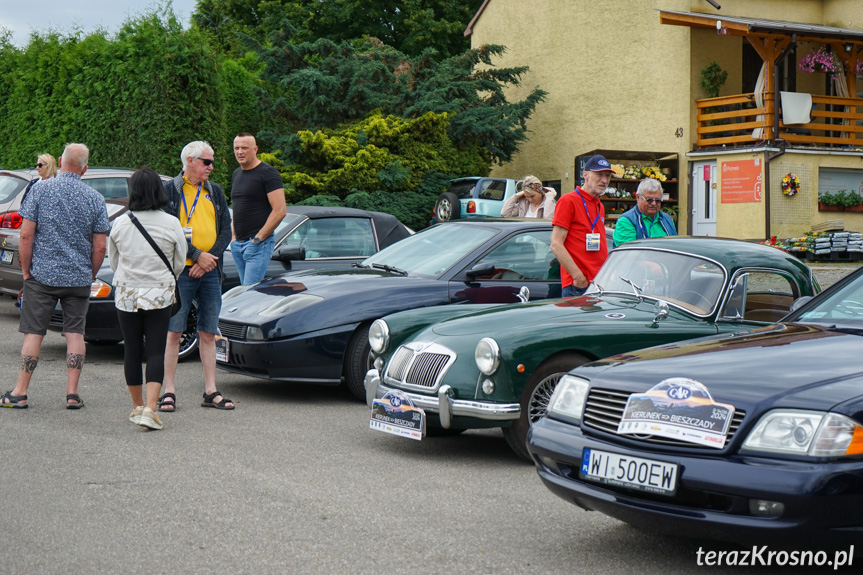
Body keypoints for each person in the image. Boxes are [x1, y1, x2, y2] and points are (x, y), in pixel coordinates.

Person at [1, 143, 109, 409]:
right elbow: (101, 246)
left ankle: (20, 392)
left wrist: (27, 271)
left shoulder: (40, 190)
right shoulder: (95, 198)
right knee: (75, 334)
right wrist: (90, 274)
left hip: (42, 276)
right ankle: (72, 394)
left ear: (60, 161)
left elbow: (26, 235)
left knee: (34, 334)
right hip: (78, 279)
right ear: (85, 168)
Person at [108, 168, 187, 429]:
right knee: (155, 350)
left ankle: (136, 406)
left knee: (131, 349)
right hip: (159, 292)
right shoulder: (171, 222)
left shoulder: (120, 222)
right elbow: (178, 262)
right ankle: (151, 409)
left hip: (127, 293)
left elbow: (114, 260)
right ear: (158, 190)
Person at [160, 141, 234, 412]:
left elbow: (226, 229)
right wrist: (195, 254)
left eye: (211, 162)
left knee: (208, 332)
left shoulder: (214, 191)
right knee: (173, 332)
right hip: (181, 272)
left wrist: (208, 259)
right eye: (206, 162)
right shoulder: (170, 190)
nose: (211, 167)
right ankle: (168, 391)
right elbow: (169, 231)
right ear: (190, 161)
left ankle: (211, 390)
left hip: (210, 272)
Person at [550, 154, 612, 297]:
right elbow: (556, 244)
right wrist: (578, 277)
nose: (604, 180)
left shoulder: (599, 205)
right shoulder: (568, 200)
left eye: (607, 176)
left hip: (598, 283)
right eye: (599, 174)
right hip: (578, 286)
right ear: (586, 175)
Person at [230, 132, 286, 285]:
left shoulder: (268, 173)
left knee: (251, 293)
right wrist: (233, 238)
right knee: (243, 293)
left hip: (257, 245)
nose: (240, 152)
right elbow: (237, 206)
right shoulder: (237, 174)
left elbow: (280, 211)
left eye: (244, 148)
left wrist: (258, 239)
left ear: (255, 149)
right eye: (236, 148)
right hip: (238, 245)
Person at [612, 178, 677, 247]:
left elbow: (675, 246)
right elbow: (628, 253)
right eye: (649, 200)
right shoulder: (626, 221)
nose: (654, 203)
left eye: (658, 200)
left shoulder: (667, 219)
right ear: (638, 197)